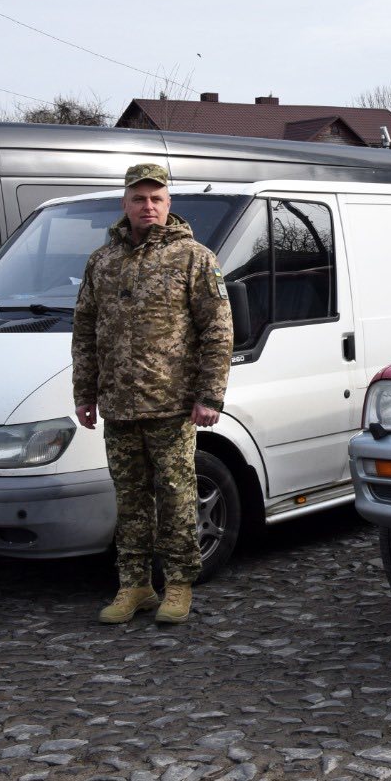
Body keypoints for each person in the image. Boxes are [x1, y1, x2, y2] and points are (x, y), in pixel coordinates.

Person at [72, 164, 232, 625]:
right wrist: (85, 391)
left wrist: (210, 396)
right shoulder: (102, 262)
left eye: (156, 199)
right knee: (131, 500)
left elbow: (218, 330)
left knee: (178, 495)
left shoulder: (195, 258)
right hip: (119, 405)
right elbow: (85, 330)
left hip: (172, 404)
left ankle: (179, 584)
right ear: (124, 203)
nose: (148, 207)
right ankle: (134, 585)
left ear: (168, 203)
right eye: (139, 199)